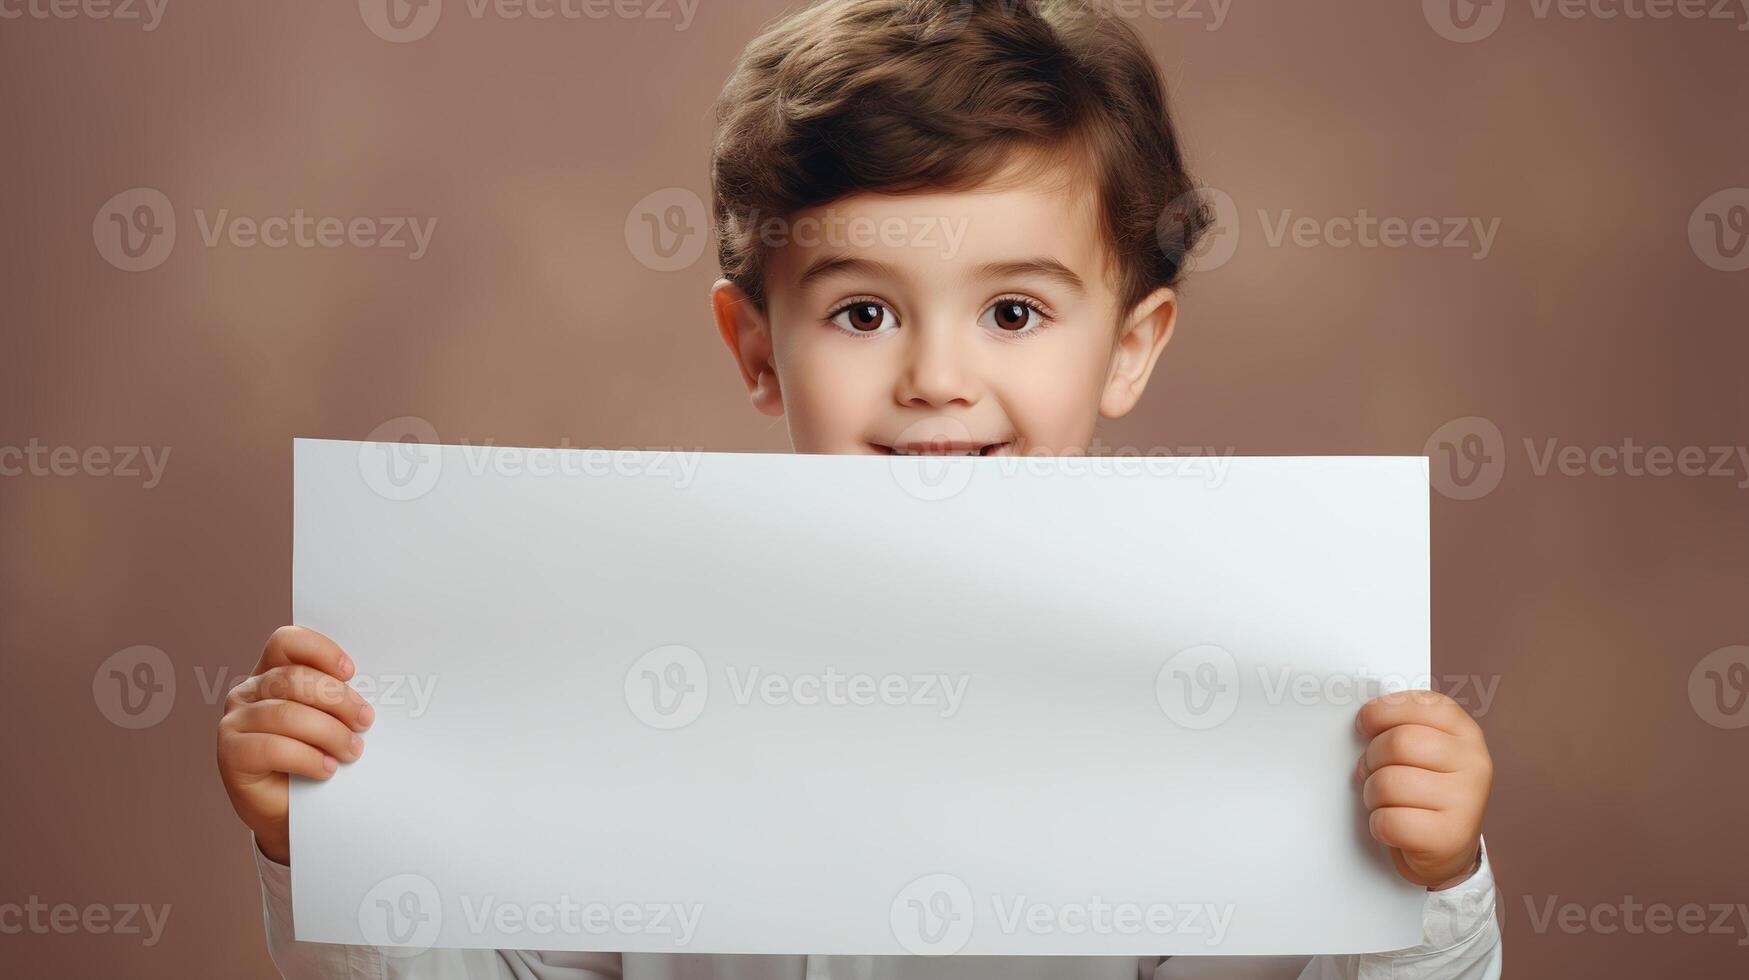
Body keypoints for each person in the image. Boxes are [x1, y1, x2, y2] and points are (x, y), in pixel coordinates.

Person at [217, 2, 1501, 976]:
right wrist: (322, 836)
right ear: (757, 347)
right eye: (865, 309)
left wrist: (1428, 882)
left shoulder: (1225, 682)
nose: (937, 376)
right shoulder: (638, 662)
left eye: (1012, 309)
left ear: (1130, 344)